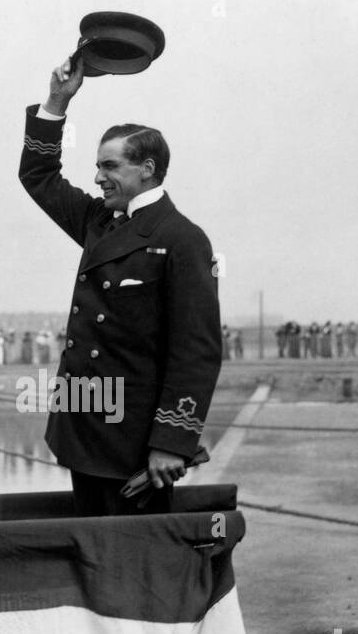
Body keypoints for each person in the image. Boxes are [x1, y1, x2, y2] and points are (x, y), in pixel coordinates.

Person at [19, 54, 221, 516]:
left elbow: (196, 352)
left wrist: (172, 442)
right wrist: (55, 103)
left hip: (137, 445)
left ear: (146, 168)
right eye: (97, 166)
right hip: (84, 431)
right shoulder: (99, 222)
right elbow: (39, 177)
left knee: (137, 569)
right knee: (95, 563)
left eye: (109, 166)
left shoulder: (182, 239)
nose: (97, 177)